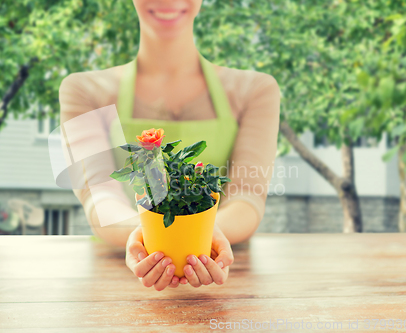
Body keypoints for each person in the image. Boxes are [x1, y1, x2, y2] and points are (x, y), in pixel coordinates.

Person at [59, 0, 280, 291]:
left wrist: (200, 237)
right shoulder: (82, 90)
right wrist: (157, 238)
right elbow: (98, 196)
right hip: (116, 279)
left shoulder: (256, 90)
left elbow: (248, 196)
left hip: (226, 276)